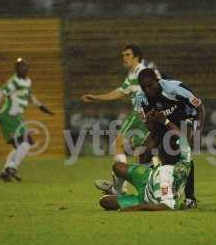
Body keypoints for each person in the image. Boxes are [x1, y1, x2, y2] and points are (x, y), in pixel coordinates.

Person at [81, 44, 160, 193]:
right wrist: (97, 97)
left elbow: (159, 87)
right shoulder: (133, 74)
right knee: (141, 153)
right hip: (145, 115)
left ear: (137, 57)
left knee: (119, 143)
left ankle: (119, 188)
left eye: (128, 55)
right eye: (123, 55)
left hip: (141, 114)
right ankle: (154, 186)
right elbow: (119, 92)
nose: (124, 58)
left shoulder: (143, 72)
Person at [135, 68, 205, 209]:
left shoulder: (175, 88)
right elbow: (149, 126)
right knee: (144, 153)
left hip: (184, 120)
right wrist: (153, 124)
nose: (148, 90)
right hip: (162, 123)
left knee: (183, 152)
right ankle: (151, 192)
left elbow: (200, 108)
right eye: (144, 88)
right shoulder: (140, 98)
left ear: (157, 80)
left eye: (150, 86)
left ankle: (190, 199)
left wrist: (197, 132)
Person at [97, 112, 191, 211]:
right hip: (148, 176)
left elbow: (166, 206)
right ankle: (116, 191)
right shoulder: (185, 159)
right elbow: (181, 136)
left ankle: (116, 192)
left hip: (147, 199)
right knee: (117, 167)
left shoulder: (165, 173)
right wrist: (166, 121)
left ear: (162, 156)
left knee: (105, 201)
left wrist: (136, 208)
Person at [0, 58, 54, 182]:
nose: (22, 69)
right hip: (9, 116)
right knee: (27, 142)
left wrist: (41, 106)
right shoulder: (14, 81)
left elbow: (29, 96)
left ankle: (6, 171)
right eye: (19, 67)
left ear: (27, 68)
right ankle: (12, 167)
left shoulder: (27, 81)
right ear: (16, 69)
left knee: (19, 146)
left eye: (24, 66)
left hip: (16, 117)